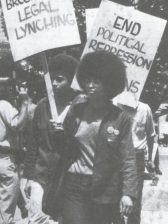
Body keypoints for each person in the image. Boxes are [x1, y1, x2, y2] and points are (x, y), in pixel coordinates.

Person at [54, 51, 138, 224]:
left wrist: (128, 194)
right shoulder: (76, 110)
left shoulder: (120, 118)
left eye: (97, 81)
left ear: (108, 84)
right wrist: (59, 131)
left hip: (104, 188)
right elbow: (63, 147)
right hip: (73, 184)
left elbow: (128, 158)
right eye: (88, 80)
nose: (90, 85)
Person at [23, 54, 79, 223]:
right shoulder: (42, 106)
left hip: (67, 180)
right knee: (36, 219)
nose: (54, 83)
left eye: (59, 79)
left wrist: (66, 134)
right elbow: (33, 143)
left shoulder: (79, 108)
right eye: (52, 79)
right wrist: (28, 177)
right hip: (41, 176)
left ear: (71, 82)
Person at [117, 101, 155, 224]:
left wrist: (149, 159)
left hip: (137, 157)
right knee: (114, 199)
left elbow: (150, 134)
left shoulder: (144, 109)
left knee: (134, 200)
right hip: (117, 156)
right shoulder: (115, 105)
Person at [0, 77, 29, 224]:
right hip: (5, 159)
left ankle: (23, 205)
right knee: (6, 214)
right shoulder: (3, 105)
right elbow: (17, 125)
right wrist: (24, 103)